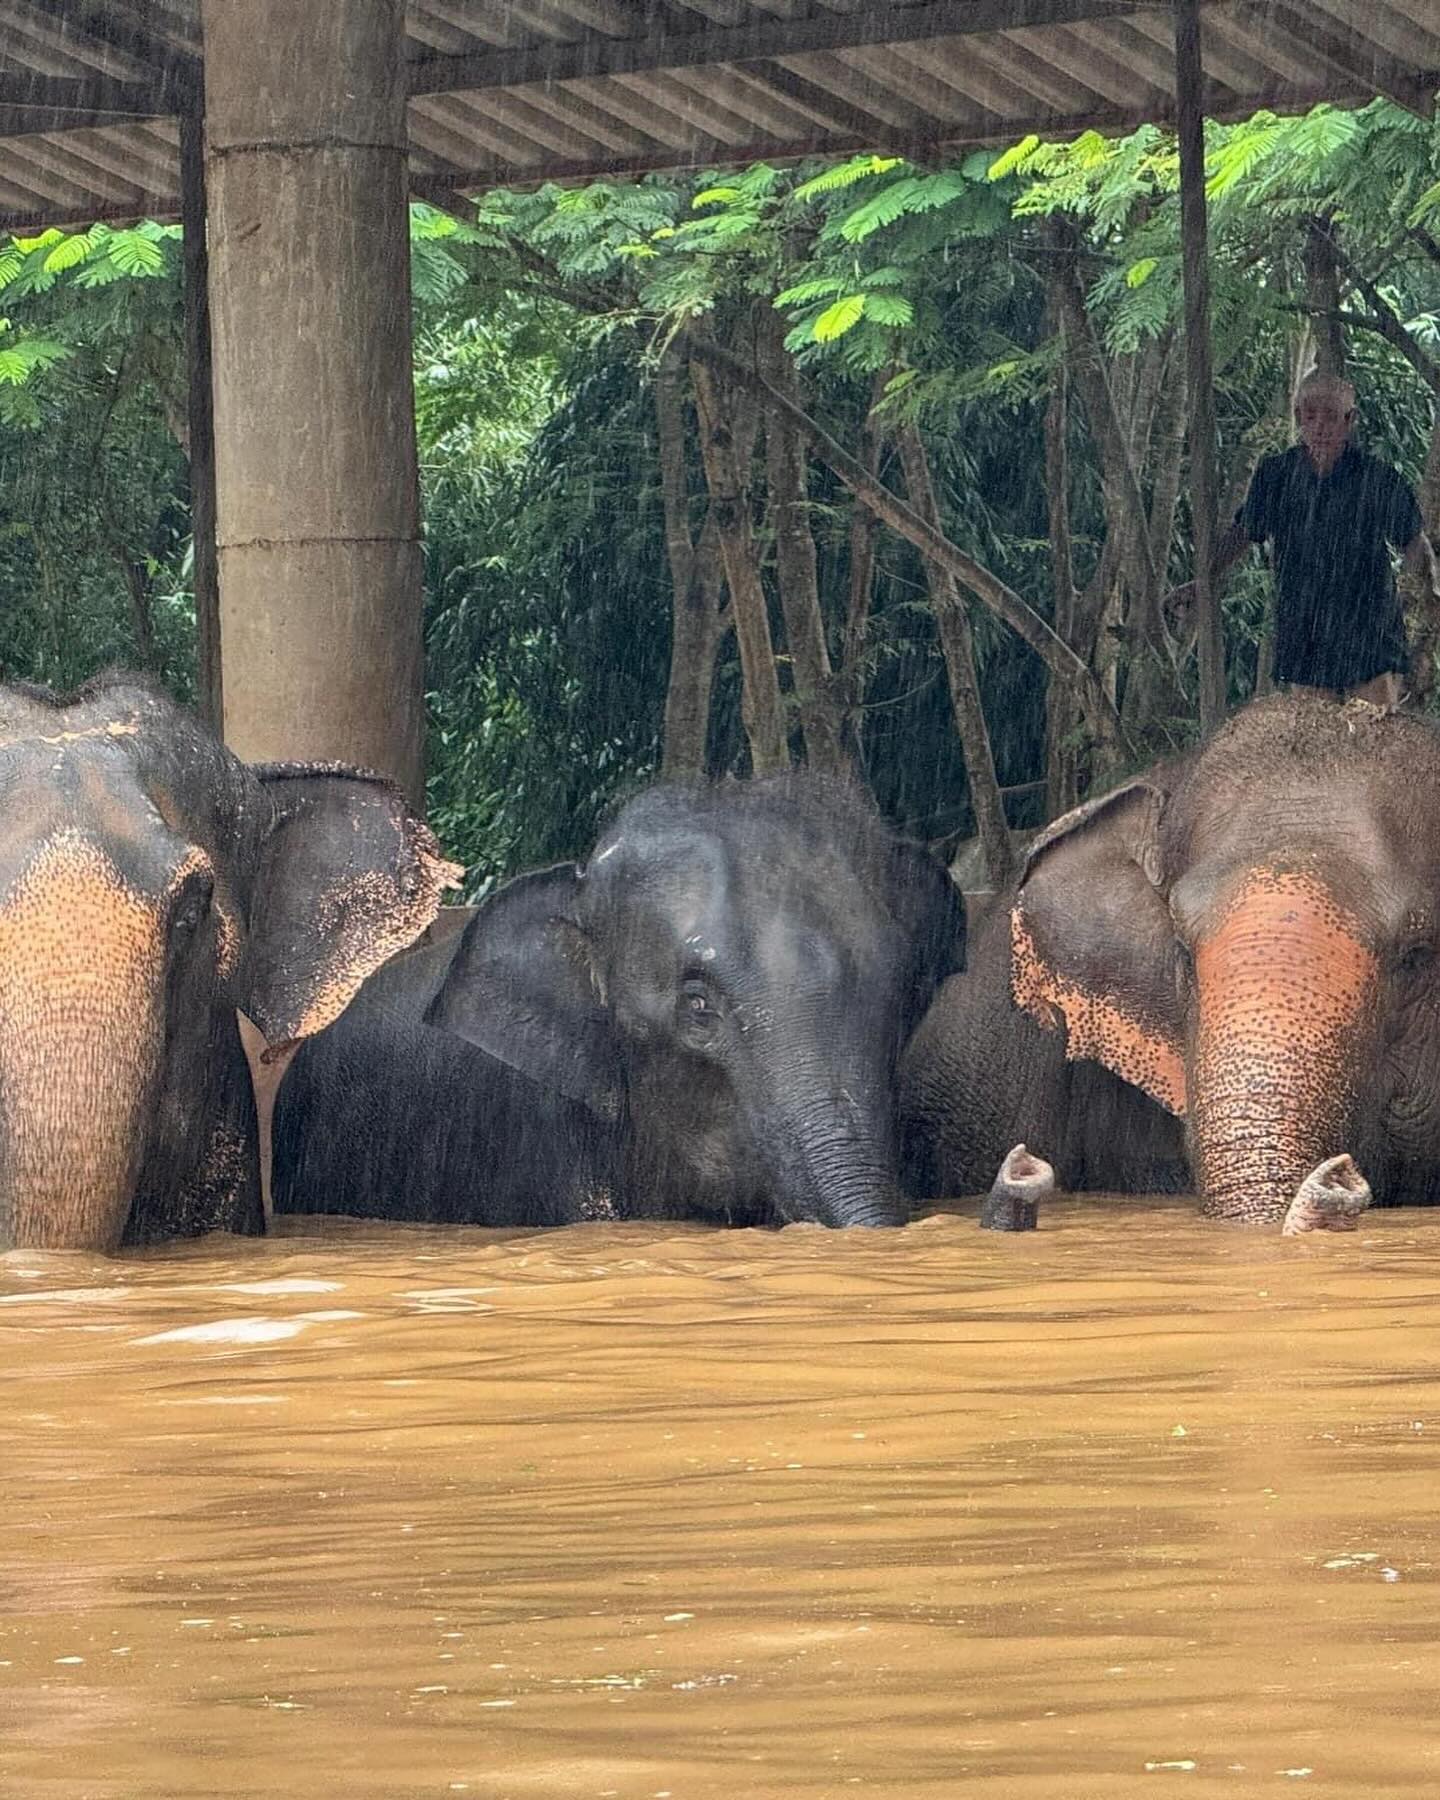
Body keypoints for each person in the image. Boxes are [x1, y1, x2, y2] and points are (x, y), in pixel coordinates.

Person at [1169, 370, 1440, 706]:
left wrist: (1424, 596)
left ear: (1349, 420)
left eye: (1330, 417)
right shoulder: (1276, 474)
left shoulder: (1378, 478)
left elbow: (1414, 542)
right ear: (1298, 417)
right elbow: (1245, 531)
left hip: (1368, 628)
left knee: (1374, 733)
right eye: (1310, 416)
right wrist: (1203, 580)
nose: (1320, 427)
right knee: (1312, 738)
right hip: (1305, 626)